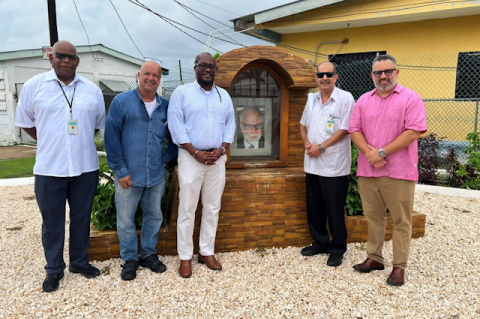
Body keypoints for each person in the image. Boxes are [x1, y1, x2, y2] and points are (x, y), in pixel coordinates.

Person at [15, 40, 106, 292]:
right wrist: (48, 138)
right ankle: (54, 269)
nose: (66, 60)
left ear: (78, 61)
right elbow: (25, 121)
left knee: (81, 219)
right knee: (52, 222)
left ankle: (79, 262)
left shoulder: (92, 90)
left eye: (71, 57)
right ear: (51, 57)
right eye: (61, 56)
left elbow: (96, 125)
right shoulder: (34, 86)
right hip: (49, 168)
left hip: (85, 167)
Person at [349, 54, 427, 286]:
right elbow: (354, 130)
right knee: (373, 217)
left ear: (397, 72)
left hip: (399, 172)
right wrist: (371, 154)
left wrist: (381, 152)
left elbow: (413, 131)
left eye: (387, 71)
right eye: (378, 73)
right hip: (368, 171)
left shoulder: (411, 98)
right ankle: (374, 257)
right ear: (372, 75)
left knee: (402, 221)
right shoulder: (363, 100)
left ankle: (399, 266)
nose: (383, 76)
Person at [105, 62, 177, 281]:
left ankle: (148, 254)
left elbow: (174, 138)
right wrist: (121, 170)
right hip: (129, 175)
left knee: (154, 216)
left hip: (155, 176)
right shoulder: (121, 102)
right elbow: (111, 137)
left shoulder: (166, 106)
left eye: (155, 75)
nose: (151, 78)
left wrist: (164, 162)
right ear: (139, 75)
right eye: (147, 74)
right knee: (125, 220)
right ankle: (130, 259)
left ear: (159, 79)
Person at [168, 52, 235, 278]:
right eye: (203, 65)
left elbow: (230, 126)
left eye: (211, 66)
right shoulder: (181, 93)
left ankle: (206, 252)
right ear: (195, 67)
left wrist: (222, 149)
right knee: (187, 209)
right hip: (190, 158)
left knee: (212, 207)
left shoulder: (223, 96)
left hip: (217, 159)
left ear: (216, 70)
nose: (208, 69)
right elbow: (176, 127)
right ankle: (185, 257)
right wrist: (195, 152)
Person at [299, 61, 355, 267]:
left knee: (334, 208)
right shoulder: (312, 99)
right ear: (316, 78)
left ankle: (337, 247)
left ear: (336, 77)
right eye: (321, 75)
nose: (324, 78)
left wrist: (321, 147)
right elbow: (302, 125)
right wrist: (307, 145)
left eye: (328, 74)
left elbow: (345, 129)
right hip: (312, 163)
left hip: (334, 166)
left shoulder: (345, 98)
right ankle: (320, 242)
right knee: (315, 207)